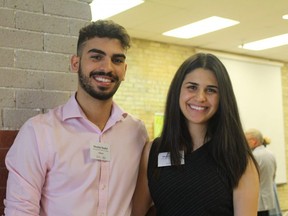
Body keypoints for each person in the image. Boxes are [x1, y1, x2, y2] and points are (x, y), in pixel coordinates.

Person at [4, 20, 149, 216]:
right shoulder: (39, 132)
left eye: (117, 60)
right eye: (96, 57)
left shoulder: (136, 132)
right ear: (75, 63)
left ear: (124, 70)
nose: (107, 68)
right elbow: (20, 210)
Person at [132, 53, 259, 216]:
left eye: (211, 90)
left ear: (223, 98)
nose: (200, 97)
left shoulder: (238, 159)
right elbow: (137, 212)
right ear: (178, 90)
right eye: (192, 87)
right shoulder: (153, 152)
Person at [245, 129, 278, 216]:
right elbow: (273, 176)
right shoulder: (271, 154)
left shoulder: (253, 157)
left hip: (256, 199)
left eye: (246, 140)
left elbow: (247, 179)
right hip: (267, 197)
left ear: (254, 142)